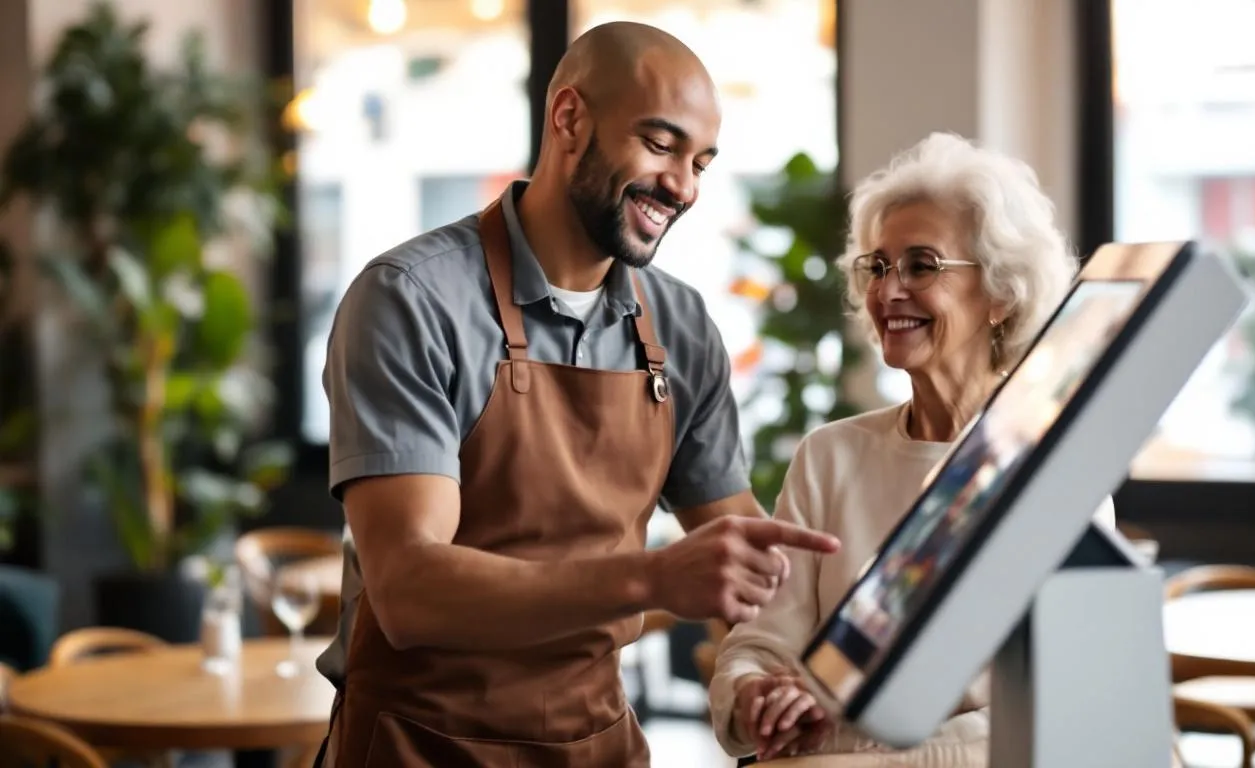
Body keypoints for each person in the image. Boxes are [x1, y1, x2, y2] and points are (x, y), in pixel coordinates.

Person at [313, 21, 840, 768]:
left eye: (701, 162)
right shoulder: (412, 300)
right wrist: (654, 577)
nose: (684, 187)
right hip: (418, 747)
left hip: (597, 745)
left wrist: (781, 670)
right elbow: (409, 589)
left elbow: (744, 554)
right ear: (569, 119)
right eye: (660, 146)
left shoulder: (681, 327)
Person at [708, 132, 1117, 766]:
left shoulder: (1052, 466)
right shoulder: (829, 456)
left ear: (1001, 293)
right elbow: (758, 646)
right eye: (877, 265)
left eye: (921, 265)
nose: (888, 289)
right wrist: (756, 694)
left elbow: (1055, 706)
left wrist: (847, 740)